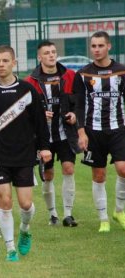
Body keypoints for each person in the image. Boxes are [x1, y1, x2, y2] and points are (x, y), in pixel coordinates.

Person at [0, 45, 51, 262]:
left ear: (13, 63)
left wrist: (44, 147)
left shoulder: (28, 91)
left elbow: (40, 124)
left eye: (5, 61)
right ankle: (10, 250)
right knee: (5, 201)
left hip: (24, 155)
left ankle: (25, 230)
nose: (1, 65)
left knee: (26, 204)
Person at [74, 31, 125, 233]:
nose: (96, 50)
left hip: (119, 128)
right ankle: (103, 218)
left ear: (109, 46)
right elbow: (78, 105)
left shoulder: (121, 71)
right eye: (93, 46)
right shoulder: (83, 74)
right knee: (99, 174)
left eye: (100, 46)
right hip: (93, 131)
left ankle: (119, 211)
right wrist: (81, 133)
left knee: (122, 169)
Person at [25, 41, 79, 227]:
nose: (51, 55)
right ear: (39, 57)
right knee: (48, 175)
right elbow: (23, 110)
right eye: (46, 53)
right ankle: (53, 214)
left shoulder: (69, 76)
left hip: (65, 134)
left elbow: (79, 103)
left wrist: (74, 115)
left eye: (53, 52)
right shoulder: (30, 81)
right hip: (43, 137)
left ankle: (68, 214)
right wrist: (39, 114)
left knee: (69, 168)